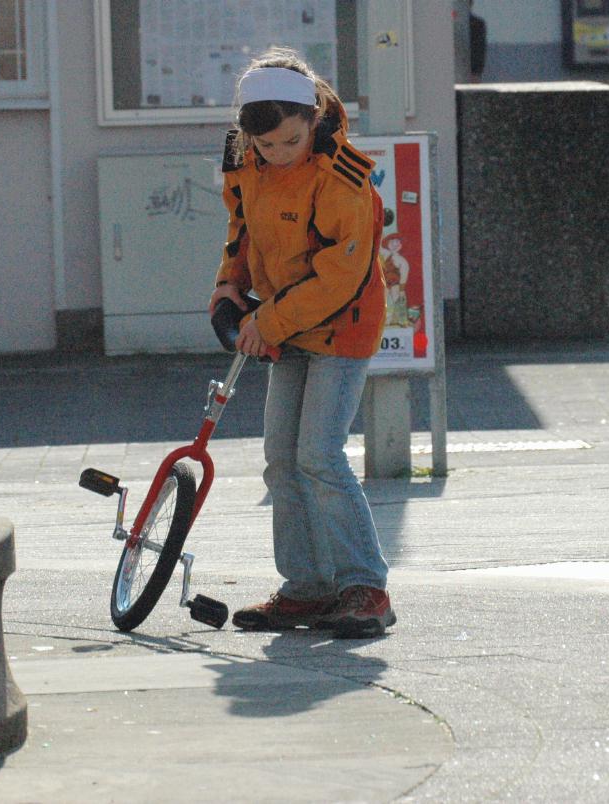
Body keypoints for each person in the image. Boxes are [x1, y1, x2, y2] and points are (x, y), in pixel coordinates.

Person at [207, 48, 395, 639]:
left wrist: (270, 323)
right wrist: (227, 291)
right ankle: (306, 591)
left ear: (313, 116)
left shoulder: (344, 174)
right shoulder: (245, 162)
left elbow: (342, 274)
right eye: (267, 146)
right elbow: (240, 235)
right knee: (281, 463)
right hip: (283, 325)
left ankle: (366, 588)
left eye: (290, 141)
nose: (278, 154)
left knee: (319, 455)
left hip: (342, 325)